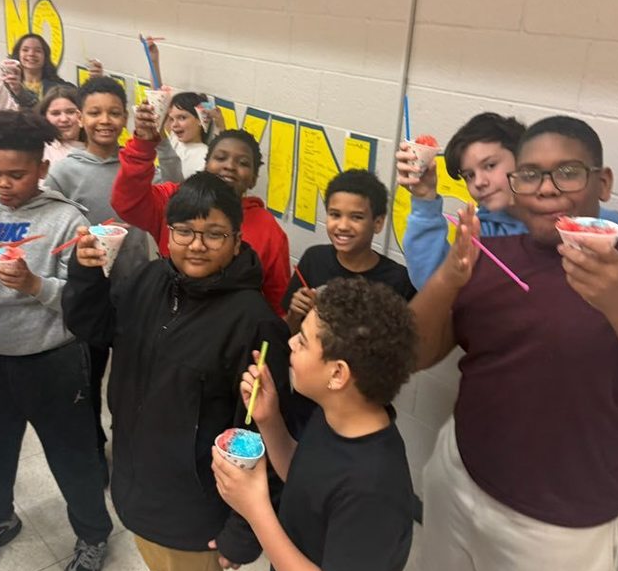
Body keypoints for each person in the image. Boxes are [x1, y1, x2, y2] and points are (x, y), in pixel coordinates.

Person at [407, 115, 618, 571]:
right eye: (530, 173)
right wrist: (450, 275)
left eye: (568, 172)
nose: (547, 187)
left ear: (603, 182)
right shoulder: (490, 259)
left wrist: (615, 301)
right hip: (461, 479)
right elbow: (419, 353)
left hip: (561, 528)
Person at [63, 172, 293, 571]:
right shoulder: (144, 279)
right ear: (166, 235)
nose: (196, 244)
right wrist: (87, 273)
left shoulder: (254, 323)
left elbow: (260, 434)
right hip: (139, 474)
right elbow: (91, 326)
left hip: (197, 499)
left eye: (213, 234)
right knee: (162, 563)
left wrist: (244, 529)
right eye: (184, 231)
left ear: (238, 242)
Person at [212, 278, 416, 571]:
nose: (290, 344)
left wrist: (256, 509)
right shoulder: (338, 418)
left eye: (303, 341)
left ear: (338, 373)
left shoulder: (373, 487)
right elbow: (307, 479)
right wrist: (270, 423)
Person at [0, 111, 113, 571]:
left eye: (16, 174)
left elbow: (85, 302)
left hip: (52, 360)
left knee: (72, 454)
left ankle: (93, 534)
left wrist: (37, 285)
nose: (4, 184)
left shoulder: (67, 220)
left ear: (41, 168)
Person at [44, 76, 151, 456]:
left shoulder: (135, 164)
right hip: (91, 291)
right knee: (88, 374)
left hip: (136, 286)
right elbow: (52, 227)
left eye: (114, 112)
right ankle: (92, 445)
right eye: (94, 112)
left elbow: (171, 183)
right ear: (81, 118)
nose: (104, 120)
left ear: (125, 117)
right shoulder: (64, 170)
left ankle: (129, 441)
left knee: (132, 376)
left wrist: (157, 141)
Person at [396, 112, 618, 290]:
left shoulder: (600, 227)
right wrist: (424, 201)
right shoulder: (481, 233)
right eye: (469, 175)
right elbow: (433, 283)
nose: (479, 182)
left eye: (490, 165)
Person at [112, 102, 291, 315]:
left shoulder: (269, 230)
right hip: (167, 317)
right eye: (220, 157)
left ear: (253, 180)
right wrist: (142, 145)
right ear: (206, 164)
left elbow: (277, 302)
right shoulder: (175, 199)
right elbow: (127, 202)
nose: (230, 166)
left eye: (243, 162)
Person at [283, 168, 415, 335]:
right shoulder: (314, 259)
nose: (343, 226)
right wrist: (295, 315)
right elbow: (289, 335)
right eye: (335, 214)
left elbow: (406, 349)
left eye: (356, 217)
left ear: (378, 223)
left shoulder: (398, 280)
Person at [38, 86, 84, 165]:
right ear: (44, 117)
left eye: (70, 112)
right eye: (56, 113)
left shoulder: (98, 150)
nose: (64, 119)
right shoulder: (39, 152)